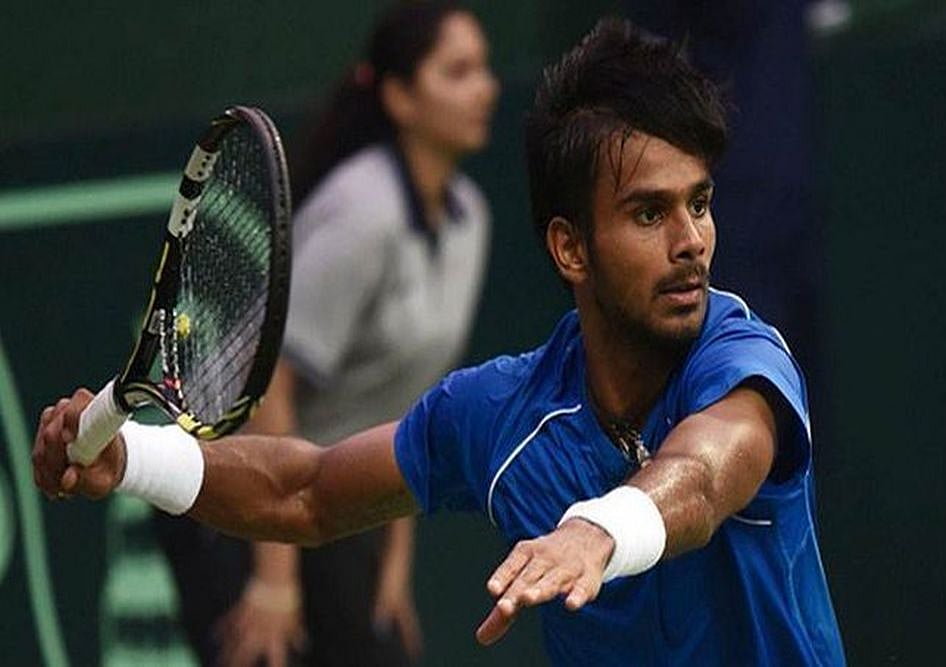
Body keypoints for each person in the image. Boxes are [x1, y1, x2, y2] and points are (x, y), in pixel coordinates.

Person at [33, 18, 846, 666]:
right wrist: (130, 459)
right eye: (648, 213)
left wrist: (602, 529)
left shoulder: (742, 360)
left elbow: (701, 477)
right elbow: (305, 491)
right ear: (570, 249)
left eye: (698, 203)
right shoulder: (504, 414)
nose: (691, 240)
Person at [151, 2, 498, 665]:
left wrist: (393, 560)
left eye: (484, 68)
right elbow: (266, 389)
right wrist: (274, 581)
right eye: (458, 72)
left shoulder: (470, 219)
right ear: (399, 97)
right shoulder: (361, 213)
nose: (484, 88)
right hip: (234, 487)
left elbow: (407, 405)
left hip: (332, 491)